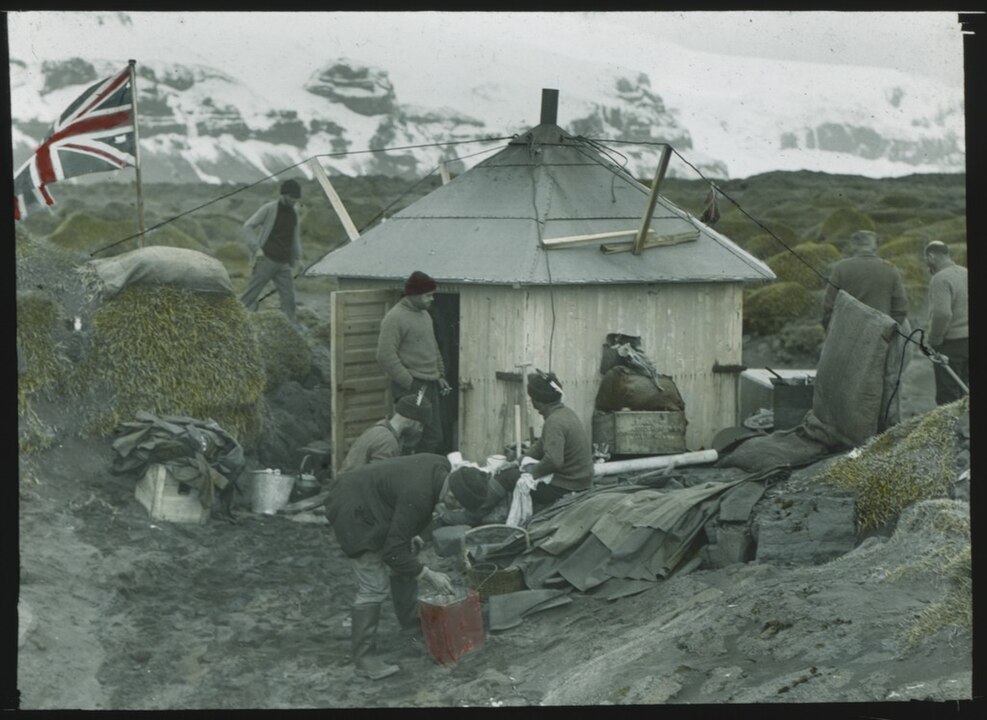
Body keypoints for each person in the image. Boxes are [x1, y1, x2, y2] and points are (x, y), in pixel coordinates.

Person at [325, 454, 490, 680]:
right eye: (459, 504)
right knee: (374, 585)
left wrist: (410, 534)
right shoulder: (420, 495)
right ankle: (364, 659)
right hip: (353, 507)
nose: (458, 508)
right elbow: (393, 553)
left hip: (373, 501)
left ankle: (411, 628)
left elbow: (399, 499)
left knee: (408, 554)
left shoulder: (439, 465)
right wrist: (428, 574)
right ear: (452, 494)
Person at [376, 270, 451, 454]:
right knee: (410, 437)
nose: (432, 299)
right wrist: (409, 382)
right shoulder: (395, 318)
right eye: (428, 296)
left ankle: (420, 472)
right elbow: (384, 354)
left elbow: (433, 347)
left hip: (431, 384)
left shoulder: (425, 315)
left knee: (433, 436)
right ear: (414, 295)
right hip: (413, 386)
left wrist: (439, 375)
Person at [520, 370, 595, 509]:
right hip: (581, 481)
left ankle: (479, 513)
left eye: (532, 399)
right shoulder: (566, 413)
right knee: (517, 470)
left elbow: (554, 461)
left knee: (512, 478)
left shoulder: (553, 422)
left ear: (537, 401)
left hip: (569, 487)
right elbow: (540, 446)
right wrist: (518, 461)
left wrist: (533, 472)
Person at [240, 179, 304, 323]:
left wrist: (298, 259)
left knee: (289, 299)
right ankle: (234, 318)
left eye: (296, 197)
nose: (294, 200)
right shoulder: (269, 208)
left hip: (284, 264)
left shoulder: (294, 213)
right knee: (251, 295)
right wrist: (256, 249)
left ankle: (290, 328)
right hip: (266, 260)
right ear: (284, 194)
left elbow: (295, 237)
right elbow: (248, 226)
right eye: (292, 197)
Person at [821, 230, 909, 330]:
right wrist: (889, 331)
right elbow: (901, 309)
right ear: (874, 246)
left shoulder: (840, 268)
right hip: (881, 334)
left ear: (853, 246)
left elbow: (829, 307)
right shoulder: (890, 268)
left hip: (848, 333)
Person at [337, 395, 431, 474]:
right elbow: (379, 482)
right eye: (420, 425)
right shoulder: (387, 441)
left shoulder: (381, 428)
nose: (420, 430)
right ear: (410, 421)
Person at [924, 241, 968, 405]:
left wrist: (934, 340)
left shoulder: (940, 279)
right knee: (964, 391)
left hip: (950, 345)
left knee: (947, 397)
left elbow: (942, 314)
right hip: (969, 342)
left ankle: (951, 431)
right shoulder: (966, 272)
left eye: (926, 260)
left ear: (931, 256)